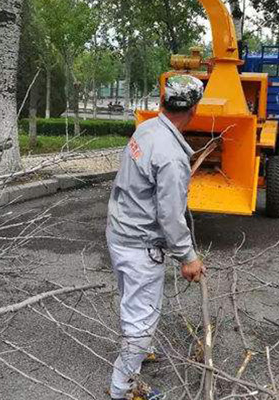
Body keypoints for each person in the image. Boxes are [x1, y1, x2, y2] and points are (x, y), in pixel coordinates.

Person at [106, 75, 206, 400]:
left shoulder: (146, 129)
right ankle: (122, 388)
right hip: (140, 245)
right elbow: (170, 216)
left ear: (163, 101)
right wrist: (188, 257)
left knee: (133, 302)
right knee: (142, 318)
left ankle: (139, 350)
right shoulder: (172, 157)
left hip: (119, 233)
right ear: (193, 110)